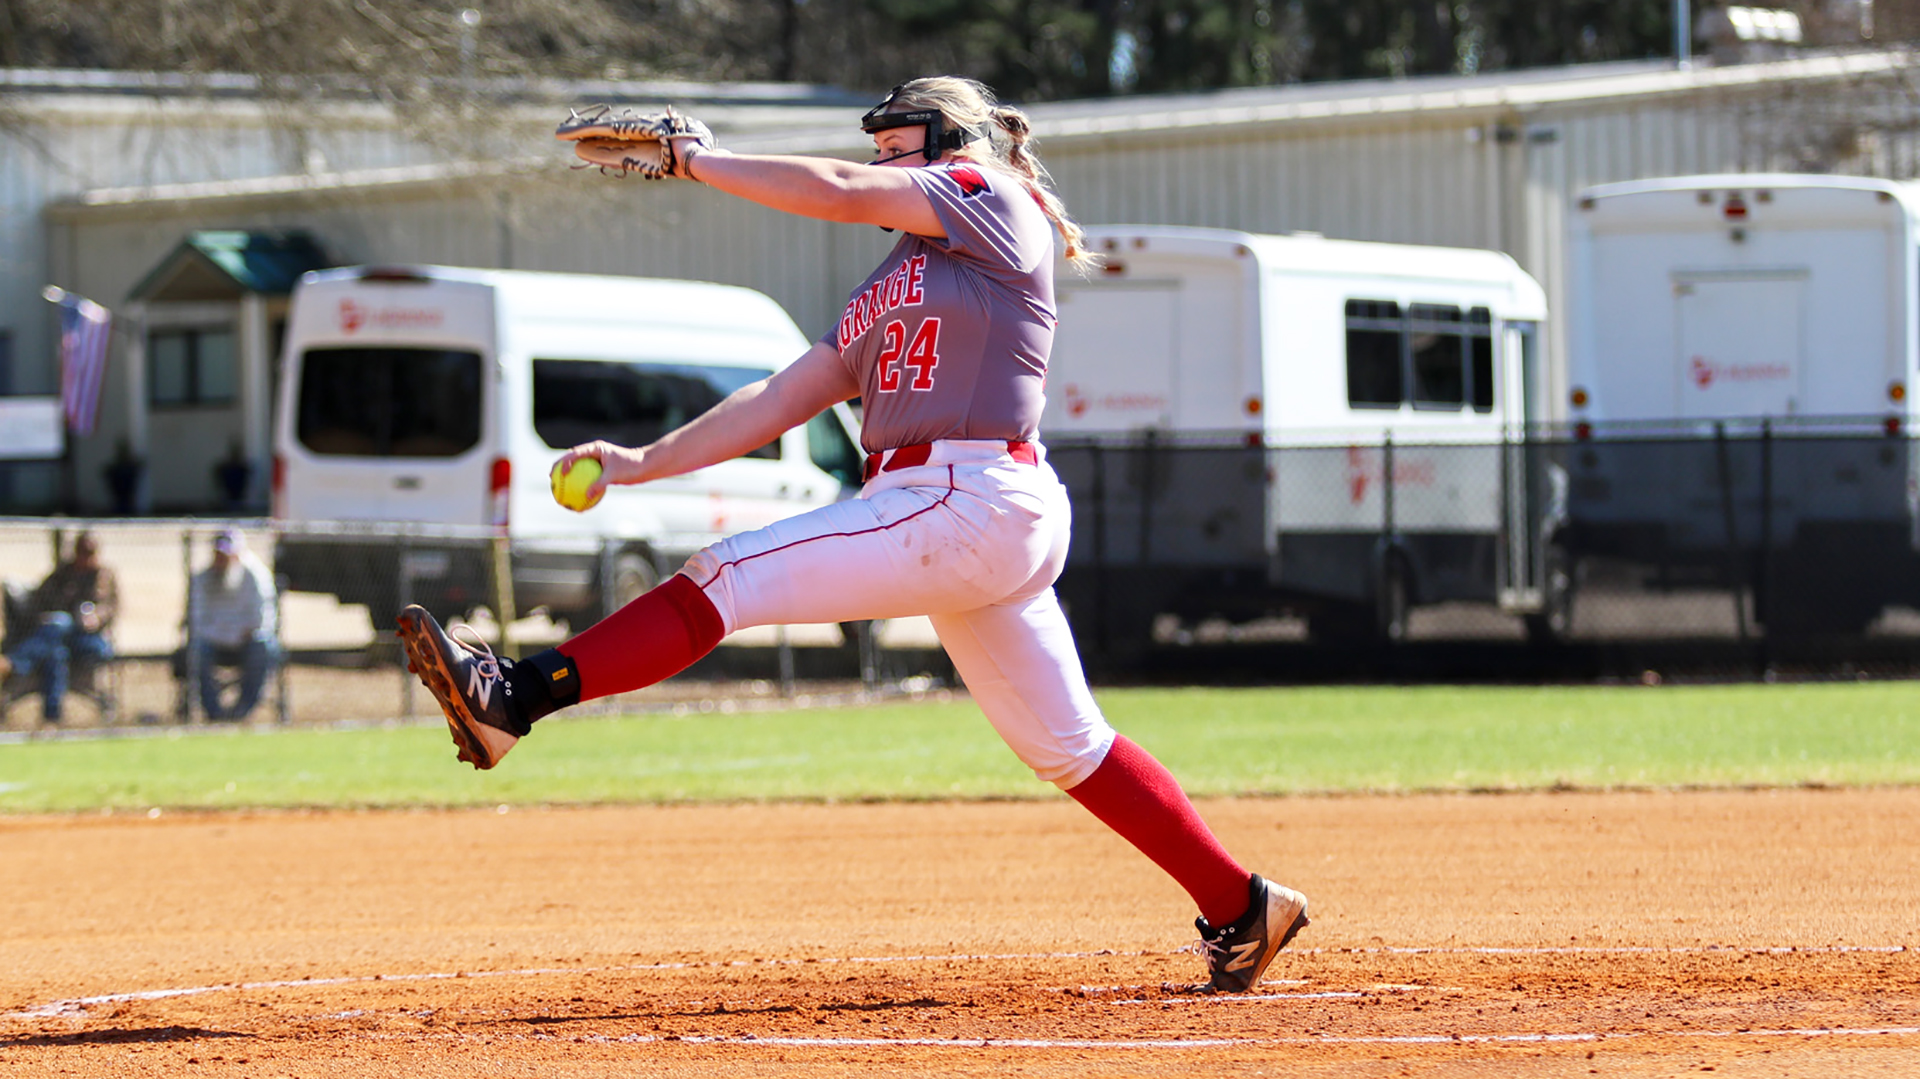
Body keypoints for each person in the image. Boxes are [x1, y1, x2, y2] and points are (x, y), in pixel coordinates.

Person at [396, 77, 1309, 994]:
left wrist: (694, 159)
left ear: (953, 135)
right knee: (1069, 747)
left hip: (966, 490)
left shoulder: (992, 197)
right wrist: (640, 461)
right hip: (970, 507)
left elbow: (834, 189)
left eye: (896, 137)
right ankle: (1243, 903)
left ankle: (512, 693)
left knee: (725, 575)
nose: (880, 153)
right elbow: (779, 397)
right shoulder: (896, 276)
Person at [0, 531, 117, 723]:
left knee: (60, 627)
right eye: (83, 552)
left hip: (90, 641)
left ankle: (12, 663)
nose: (87, 558)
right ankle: (52, 720)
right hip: (60, 637)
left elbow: (111, 606)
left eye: (91, 553)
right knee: (56, 652)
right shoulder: (63, 575)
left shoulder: (104, 576)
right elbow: (40, 602)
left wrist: (97, 617)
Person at [183, 529, 279, 721]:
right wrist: (223, 634)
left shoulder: (256, 576)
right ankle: (214, 713)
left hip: (246, 643)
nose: (221, 560)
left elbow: (262, 621)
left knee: (263, 647)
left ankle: (242, 710)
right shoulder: (202, 579)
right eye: (218, 555)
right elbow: (197, 621)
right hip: (214, 642)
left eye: (226, 555)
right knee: (197, 650)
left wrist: (237, 633)